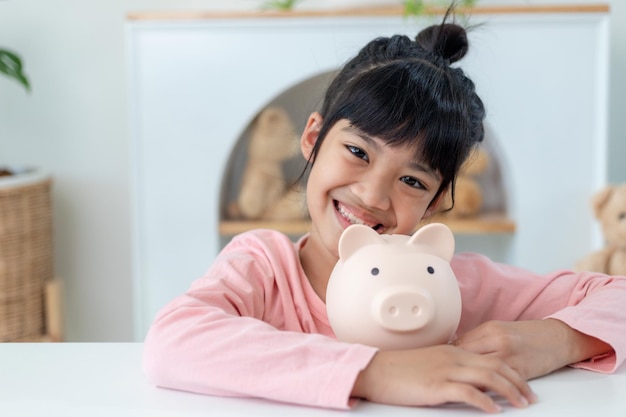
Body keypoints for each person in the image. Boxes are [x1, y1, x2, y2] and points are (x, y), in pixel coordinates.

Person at [142, 12, 626, 414]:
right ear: (312, 140)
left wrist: (560, 339)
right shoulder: (265, 269)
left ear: (434, 203)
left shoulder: (458, 284)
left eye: (412, 181)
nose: (373, 195)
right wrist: (375, 371)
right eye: (358, 151)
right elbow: (173, 340)